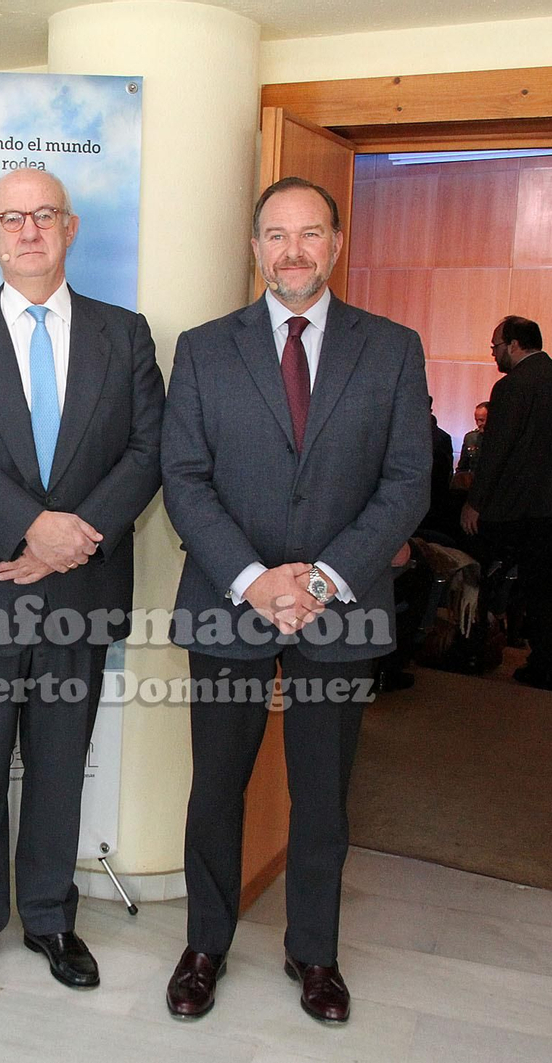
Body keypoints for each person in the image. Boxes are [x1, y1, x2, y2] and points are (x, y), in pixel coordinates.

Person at [160, 176, 430, 1024]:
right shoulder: (204, 349)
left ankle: (315, 952)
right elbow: (184, 478)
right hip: (227, 598)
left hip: (340, 606)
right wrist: (254, 580)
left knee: (322, 796)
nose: (293, 251)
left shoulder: (392, 349)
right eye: (276, 235)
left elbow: (407, 482)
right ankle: (204, 944)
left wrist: (319, 579)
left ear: (336, 243)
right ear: (255, 248)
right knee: (216, 789)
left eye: (310, 233)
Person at [0, 168, 163, 995]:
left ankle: (51, 916)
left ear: (70, 226)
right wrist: (32, 527)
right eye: (11, 218)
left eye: (44, 215)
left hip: (80, 591)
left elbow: (148, 451)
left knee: (60, 766)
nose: (28, 230)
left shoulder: (125, 334)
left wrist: (66, 544)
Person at [460, 316, 552, 691]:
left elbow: (496, 451)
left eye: (496, 346)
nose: (494, 354)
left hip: (517, 505)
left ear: (515, 345)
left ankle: (476, 646)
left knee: (491, 573)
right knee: (546, 584)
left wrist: (475, 502)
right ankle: (543, 662)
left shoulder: (511, 387)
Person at [456, 401, 488, 478]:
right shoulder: (470, 438)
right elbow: (462, 468)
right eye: (476, 420)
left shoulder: (502, 440)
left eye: (482, 420)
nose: (479, 424)